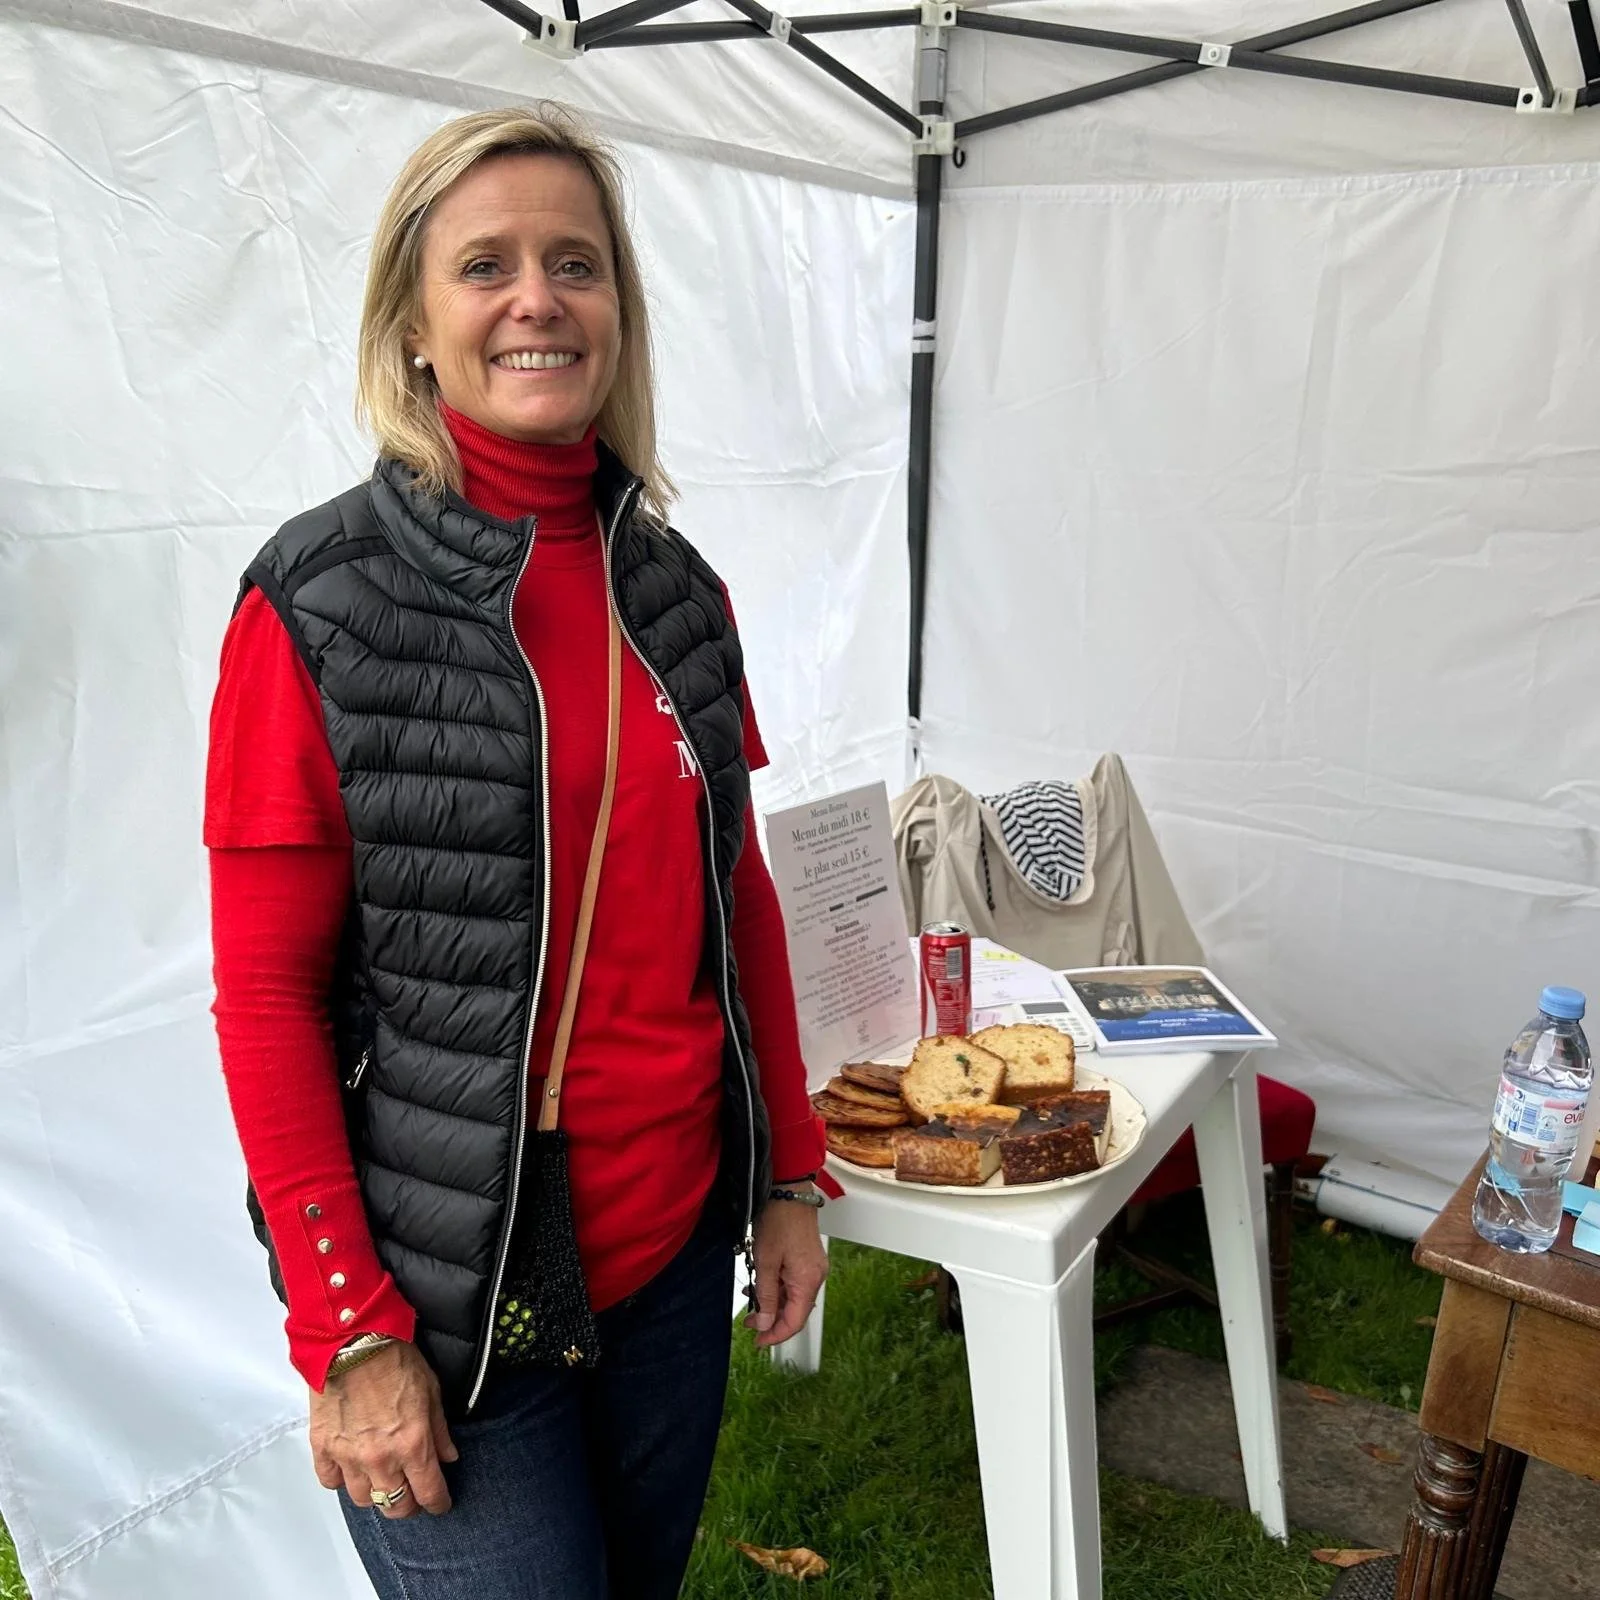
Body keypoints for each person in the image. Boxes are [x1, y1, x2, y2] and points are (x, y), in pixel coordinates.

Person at [204, 104, 829, 1600]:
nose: (537, 299)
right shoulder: (319, 601)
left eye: (576, 263)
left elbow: (736, 899)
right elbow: (266, 997)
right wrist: (347, 1325)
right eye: (485, 265)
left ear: (619, 312)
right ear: (413, 327)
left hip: (670, 1256)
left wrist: (788, 1174)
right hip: (446, 1298)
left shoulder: (679, 593)